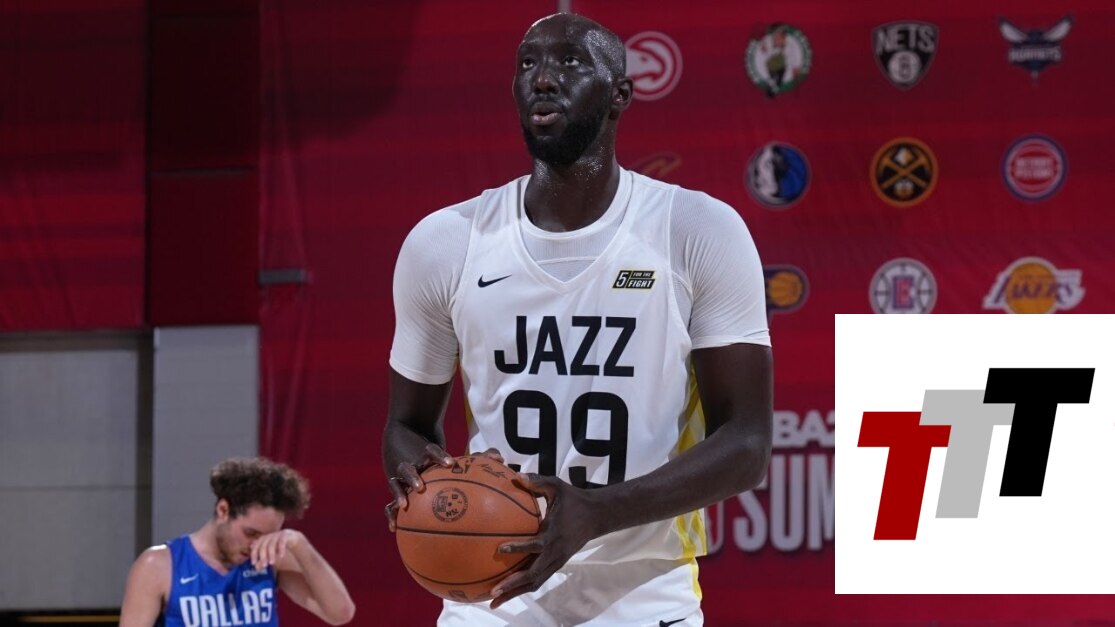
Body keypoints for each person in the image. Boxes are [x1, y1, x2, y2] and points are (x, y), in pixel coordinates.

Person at [384, 12, 772, 626]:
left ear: (620, 94)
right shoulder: (446, 243)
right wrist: (422, 484)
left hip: (642, 590)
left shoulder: (696, 230)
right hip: (493, 590)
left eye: (569, 62)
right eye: (527, 64)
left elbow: (746, 444)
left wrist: (598, 511)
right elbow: (405, 426)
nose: (542, 78)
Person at [119, 457, 355, 626]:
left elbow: (340, 613)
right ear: (223, 510)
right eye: (250, 533)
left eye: (267, 536)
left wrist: (300, 544)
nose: (256, 545)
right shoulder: (158, 565)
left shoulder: (270, 559)